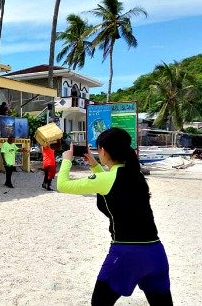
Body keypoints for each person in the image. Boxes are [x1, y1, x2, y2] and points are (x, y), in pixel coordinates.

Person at [57, 128, 172, 305]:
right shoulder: (136, 175)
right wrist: (95, 164)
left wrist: (66, 161)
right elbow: (113, 184)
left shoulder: (107, 180)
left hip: (127, 254)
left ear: (103, 150)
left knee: (99, 303)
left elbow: (63, 185)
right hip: (155, 252)